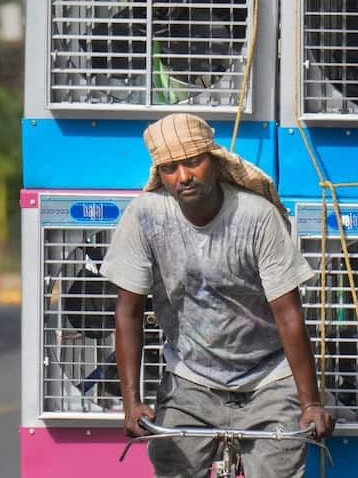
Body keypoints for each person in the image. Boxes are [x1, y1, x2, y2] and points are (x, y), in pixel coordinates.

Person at [101, 113, 334, 477]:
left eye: (194, 162)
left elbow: (289, 313)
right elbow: (128, 313)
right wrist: (131, 404)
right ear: (159, 174)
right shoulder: (144, 217)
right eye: (170, 168)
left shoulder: (256, 217)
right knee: (172, 465)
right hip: (191, 378)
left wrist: (310, 403)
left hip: (268, 379)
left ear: (214, 160)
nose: (184, 177)